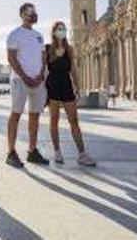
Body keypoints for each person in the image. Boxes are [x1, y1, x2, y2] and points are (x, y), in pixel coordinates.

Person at [44, 21, 96, 166]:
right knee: (54, 120)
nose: (62, 31)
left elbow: (73, 69)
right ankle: (57, 152)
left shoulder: (70, 49)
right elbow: (44, 70)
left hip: (67, 85)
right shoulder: (47, 49)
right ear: (53, 32)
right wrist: (41, 89)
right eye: (59, 29)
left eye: (63, 29)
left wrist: (78, 87)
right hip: (52, 86)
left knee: (74, 121)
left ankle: (82, 154)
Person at [5, 3, 49, 168]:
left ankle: (32, 151)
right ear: (22, 14)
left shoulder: (39, 36)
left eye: (34, 11)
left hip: (37, 82)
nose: (33, 14)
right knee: (15, 114)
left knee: (35, 116)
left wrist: (40, 75)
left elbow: (43, 57)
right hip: (19, 81)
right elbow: (11, 58)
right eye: (30, 12)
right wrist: (25, 77)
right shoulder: (14, 34)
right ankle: (11, 152)